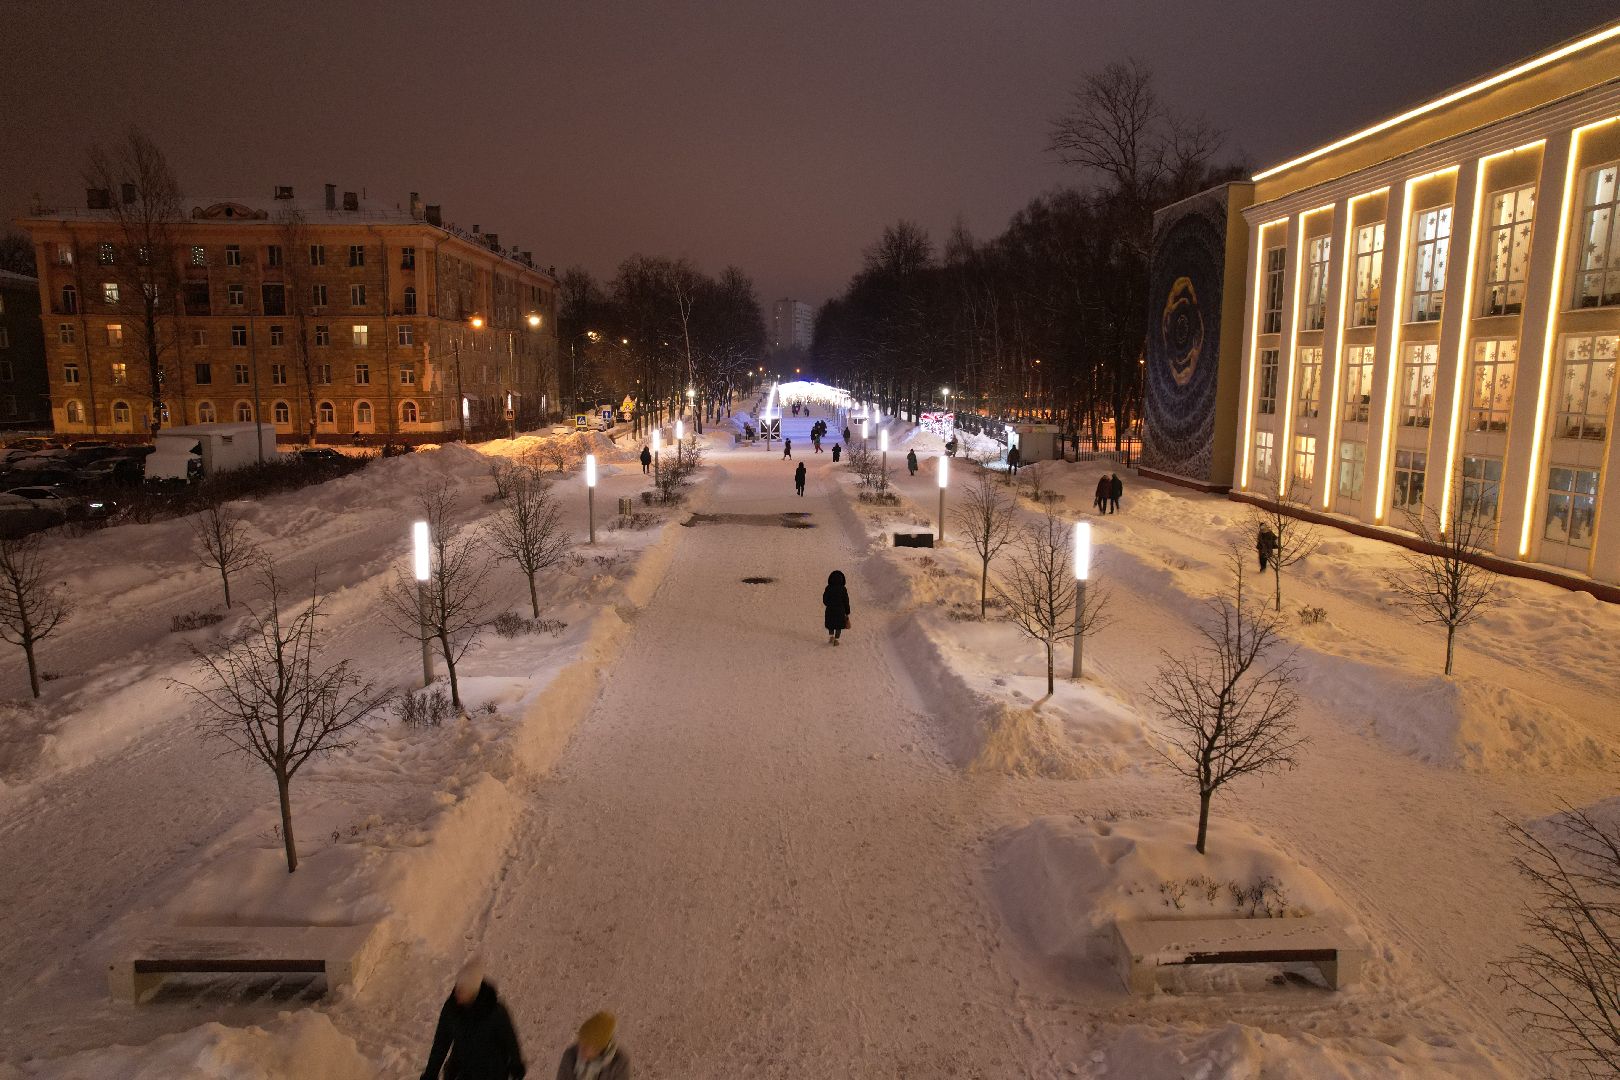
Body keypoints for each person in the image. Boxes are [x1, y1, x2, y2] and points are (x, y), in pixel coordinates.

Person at [420, 956, 526, 1080]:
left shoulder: (494, 1011)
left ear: (473, 992)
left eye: (463, 990)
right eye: (458, 988)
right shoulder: (451, 1008)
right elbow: (441, 1043)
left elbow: (510, 1040)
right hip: (461, 1072)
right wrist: (430, 1073)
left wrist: (516, 1065)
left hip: (492, 1072)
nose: (457, 994)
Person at [556, 1013, 629, 1080]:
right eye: (580, 1043)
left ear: (599, 1048)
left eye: (586, 1046)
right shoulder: (570, 1055)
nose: (580, 1050)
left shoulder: (620, 1062)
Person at [822, 569, 850, 646]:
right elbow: (846, 601)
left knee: (831, 624)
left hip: (830, 609)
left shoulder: (828, 588)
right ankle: (836, 640)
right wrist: (847, 612)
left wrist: (829, 604)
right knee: (838, 626)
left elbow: (825, 599)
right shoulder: (843, 589)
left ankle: (831, 637)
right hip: (840, 610)